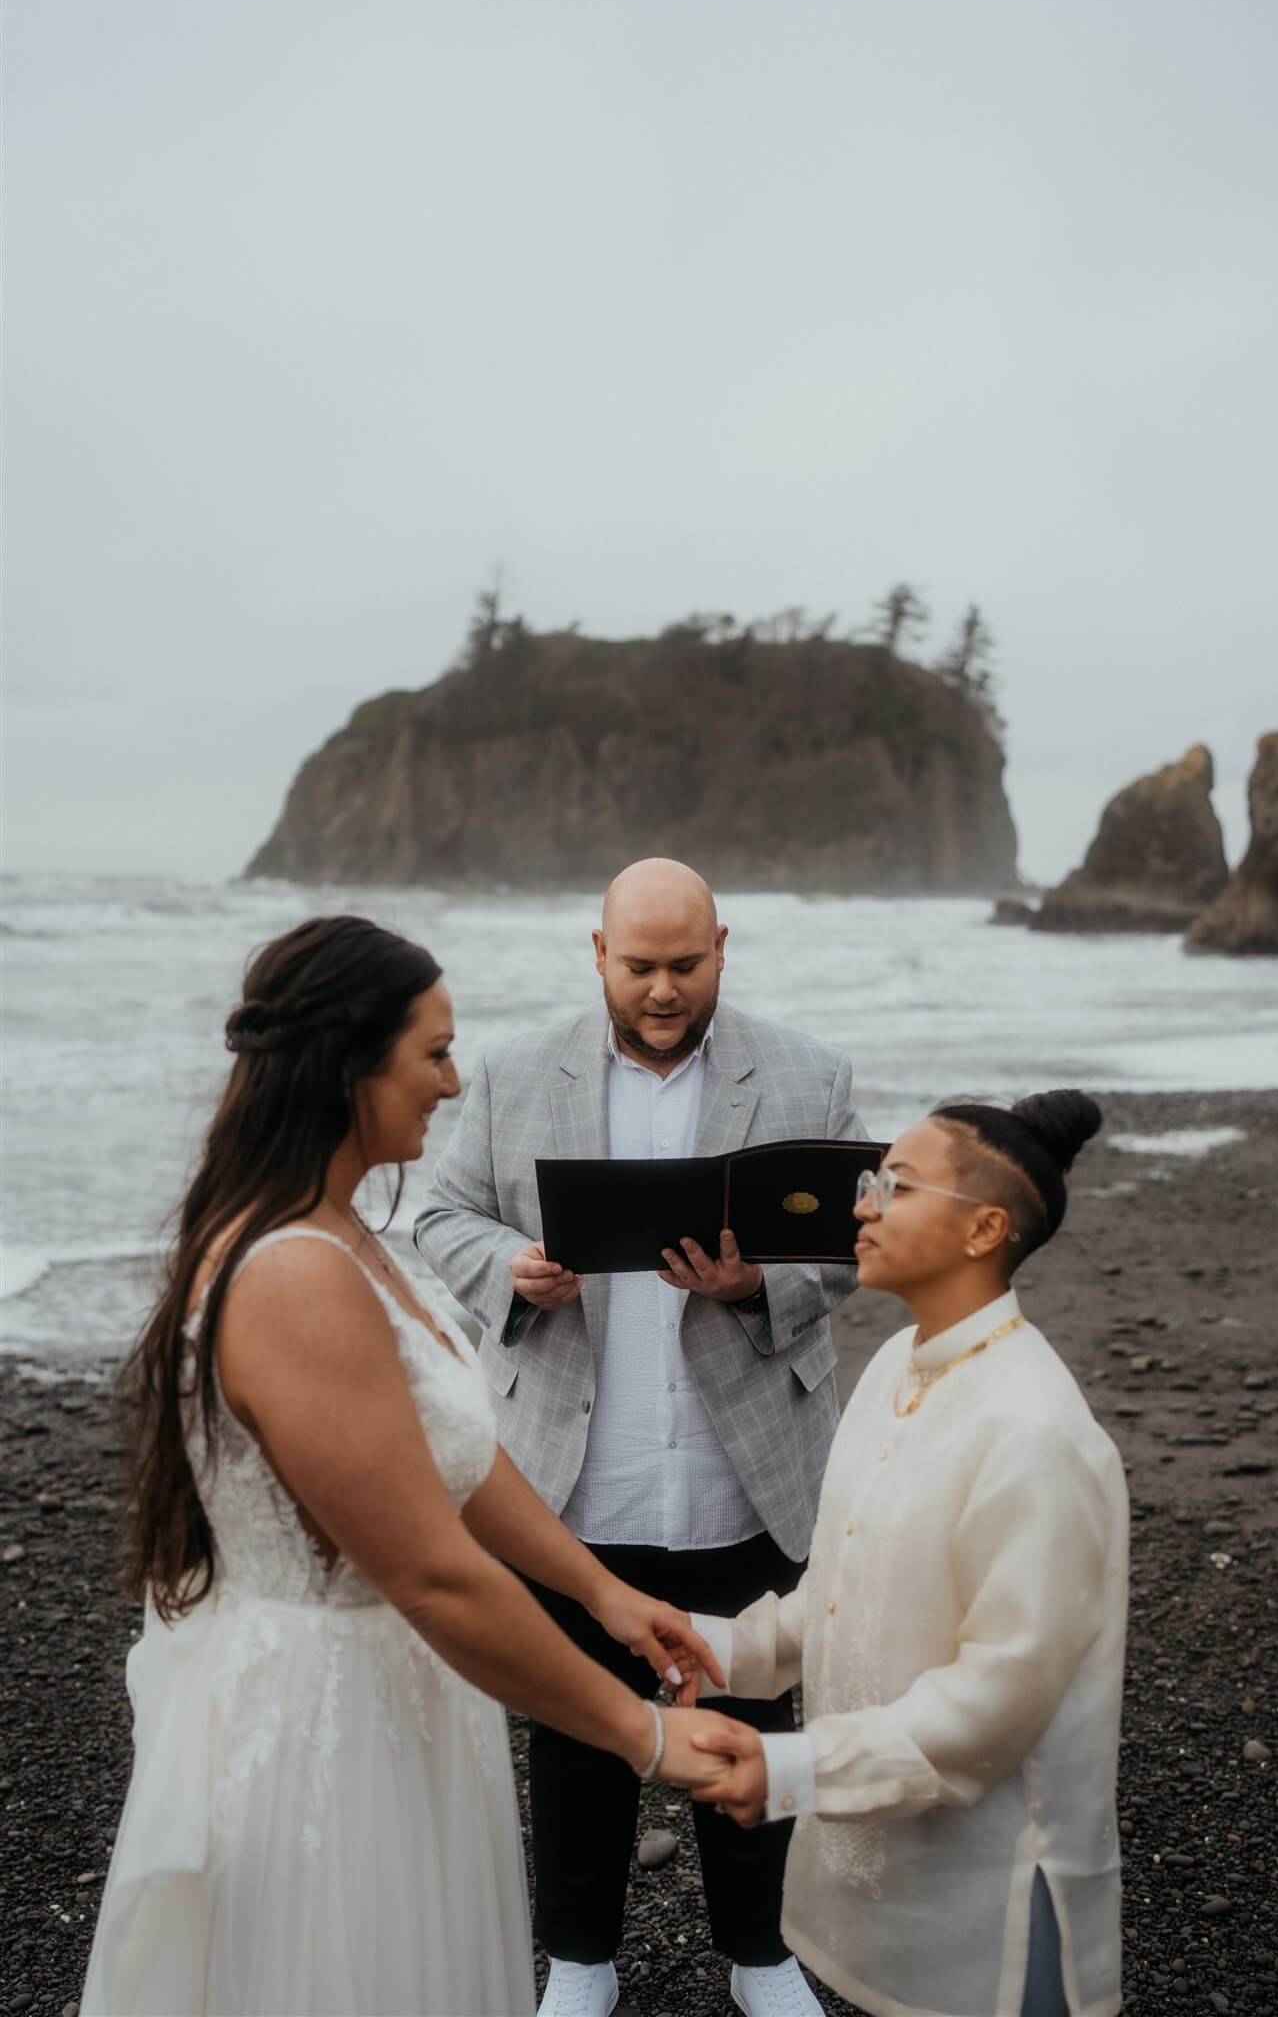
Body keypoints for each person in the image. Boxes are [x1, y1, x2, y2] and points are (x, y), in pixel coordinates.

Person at [82, 915, 729, 2017]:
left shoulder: (344, 1230)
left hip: (407, 1698)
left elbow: (458, 1459)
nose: (454, 1079)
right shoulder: (293, 1273)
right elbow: (431, 1569)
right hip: (323, 1728)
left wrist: (601, 1589)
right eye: (431, 1051)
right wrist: (643, 1732)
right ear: (349, 1066)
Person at [415, 859, 867, 2017]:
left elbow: (861, 1242)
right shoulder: (516, 1072)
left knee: (753, 1709)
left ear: (723, 944)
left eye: (685, 964)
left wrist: (762, 1281)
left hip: (748, 1466)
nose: (662, 990)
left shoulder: (812, 1072)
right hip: (571, 1468)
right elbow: (440, 1213)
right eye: (639, 966)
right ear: (597, 951)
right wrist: (506, 1270)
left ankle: (760, 1953)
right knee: (571, 1719)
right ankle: (579, 1956)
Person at [689, 1091, 1128, 2017]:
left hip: (996, 1883)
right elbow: (846, 1589)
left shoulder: (1035, 1429)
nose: (862, 1206)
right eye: (868, 1183)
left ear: (985, 1229)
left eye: (895, 1186)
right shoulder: (894, 1365)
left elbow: (998, 1697)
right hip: (876, 1862)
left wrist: (794, 1768)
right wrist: (714, 1649)